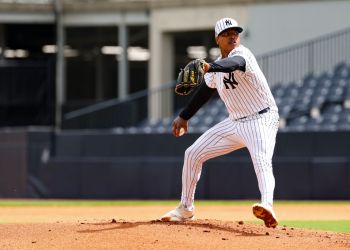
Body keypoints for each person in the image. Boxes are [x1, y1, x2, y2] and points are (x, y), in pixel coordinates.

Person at [160, 17, 280, 228]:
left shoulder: (243, 54)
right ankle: (186, 209)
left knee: (261, 159)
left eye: (235, 32)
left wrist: (208, 66)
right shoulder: (215, 69)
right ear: (217, 39)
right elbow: (204, 92)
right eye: (226, 33)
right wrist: (184, 116)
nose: (232, 35)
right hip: (234, 122)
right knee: (192, 153)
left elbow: (233, 64)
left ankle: (267, 205)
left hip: (262, 118)